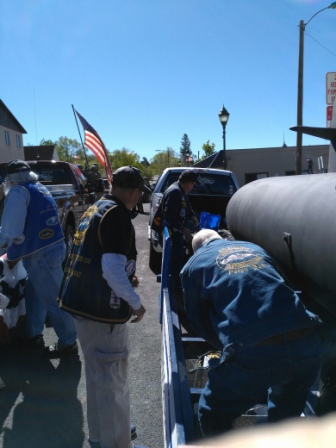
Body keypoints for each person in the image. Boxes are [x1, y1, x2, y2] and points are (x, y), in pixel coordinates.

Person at [180, 229, 323, 438]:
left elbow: (197, 322)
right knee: (286, 417)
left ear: (197, 250)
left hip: (256, 352)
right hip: (307, 342)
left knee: (212, 411)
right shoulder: (256, 249)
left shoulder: (194, 265)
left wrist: (227, 348)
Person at [58, 165, 149, 448]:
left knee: (98, 376)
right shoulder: (117, 215)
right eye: (139, 195)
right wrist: (136, 304)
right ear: (132, 192)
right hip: (101, 311)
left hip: (81, 305)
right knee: (113, 382)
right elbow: (110, 268)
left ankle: (99, 436)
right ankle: (118, 444)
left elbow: (100, 258)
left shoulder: (96, 208)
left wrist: (124, 273)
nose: (139, 200)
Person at [0, 159, 77, 354]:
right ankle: (33, 333)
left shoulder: (17, 192)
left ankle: (68, 341)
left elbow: (11, 230)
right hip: (52, 248)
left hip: (39, 255)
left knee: (52, 299)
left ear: (9, 179)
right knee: (35, 295)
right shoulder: (38, 187)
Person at [160, 169, 200, 287]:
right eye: (193, 185)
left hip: (177, 232)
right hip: (173, 234)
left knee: (179, 259)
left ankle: (177, 284)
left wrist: (192, 217)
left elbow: (187, 207)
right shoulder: (175, 192)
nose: (193, 187)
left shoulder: (180, 192)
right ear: (189, 183)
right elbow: (168, 216)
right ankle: (177, 289)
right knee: (176, 261)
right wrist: (183, 228)